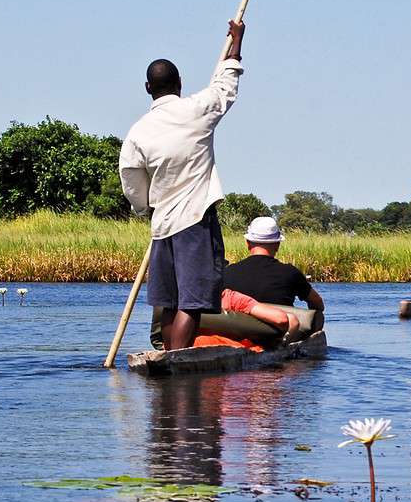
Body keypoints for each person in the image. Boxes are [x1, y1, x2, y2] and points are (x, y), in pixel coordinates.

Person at [120, 19, 244, 351]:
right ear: (180, 83)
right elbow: (225, 86)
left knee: (169, 302)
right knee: (192, 302)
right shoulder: (196, 110)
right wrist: (237, 42)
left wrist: (144, 207)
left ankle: (167, 357)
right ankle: (175, 358)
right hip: (194, 221)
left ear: (148, 88)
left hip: (162, 225)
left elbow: (132, 182)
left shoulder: (138, 132)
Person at [221, 216, 325, 340]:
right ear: (277, 245)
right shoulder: (290, 272)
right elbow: (317, 302)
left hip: (238, 334)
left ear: (248, 244)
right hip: (276, 334)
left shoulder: (228, 272)